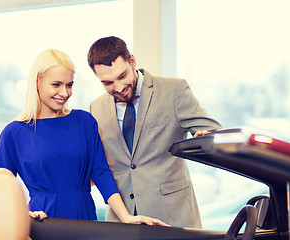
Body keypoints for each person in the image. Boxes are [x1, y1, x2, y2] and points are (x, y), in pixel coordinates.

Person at [0, 48, 167, 226]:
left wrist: (126, 217)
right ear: (37, 83)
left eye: (69, 85)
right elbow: (1, 191)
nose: (64, 93)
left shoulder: (84, 121)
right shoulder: (12, 133)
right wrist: (25, 213)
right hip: (40, 223)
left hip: (84, 218)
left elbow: (101, 172)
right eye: (56, 84)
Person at [87, 36, 222, 228]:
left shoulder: (173, 90)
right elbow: (99, 167)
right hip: (122, 223)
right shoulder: (96, 107)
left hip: (171, 217)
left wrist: (206, 137)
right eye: (107, 83)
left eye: (122, 76)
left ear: (132, 61)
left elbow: (213, 131)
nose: (119, 88)